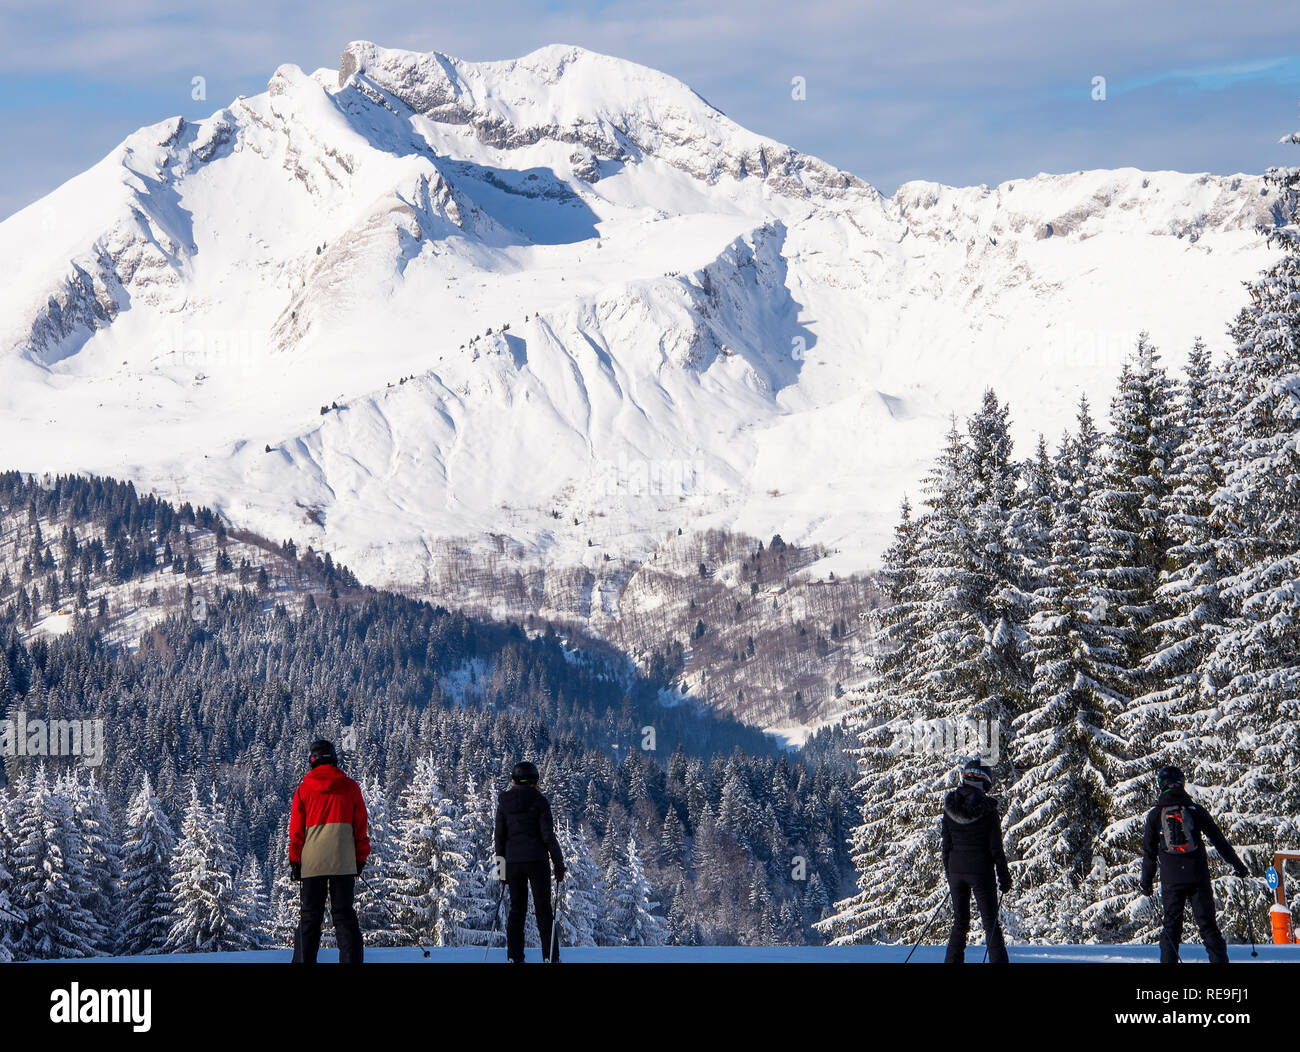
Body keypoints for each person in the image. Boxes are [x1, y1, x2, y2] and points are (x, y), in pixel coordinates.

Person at [1140, 765, 1249, 964]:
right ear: (1182, 784)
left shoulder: (1155, 815)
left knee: (1171, 928)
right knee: (1208, 926)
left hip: (1171, 880)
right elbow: (1219, 841)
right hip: (1198, 876)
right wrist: (1238, 865)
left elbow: (1149, 853)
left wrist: (1146, 882)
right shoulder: (1195, 810)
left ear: (1161, 785)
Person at [289, 739, 370, 963]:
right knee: (344, 916)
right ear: (334, 759)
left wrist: (295, 861)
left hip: (312, 863)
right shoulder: (350, 787)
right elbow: (360, 827)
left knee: (309, 919)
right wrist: (360, 858)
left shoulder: (304, 790)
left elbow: (296, 831)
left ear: (311, 761)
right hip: (343, 862)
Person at [495, 761, 566, 963]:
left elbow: (499, 837)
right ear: (535, 779)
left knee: (517, 910)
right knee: (543, 910)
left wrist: (501, 870)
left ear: (514, 779)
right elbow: (548, 836)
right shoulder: (540, 801)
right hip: (537, 861)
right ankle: (550, 957)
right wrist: (558, 863)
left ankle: (514, 957)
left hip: (513, 863)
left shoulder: (504, 802)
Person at [941, 759, 1011, 964]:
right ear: (986, 781)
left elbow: (946, 844)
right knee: (990, 924)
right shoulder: (988, 809)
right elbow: (996, 849)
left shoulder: (950, 806)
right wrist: (1004, 877)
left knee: (960, 923)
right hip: (981, 872)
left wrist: (949, 872)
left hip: (956, 870)